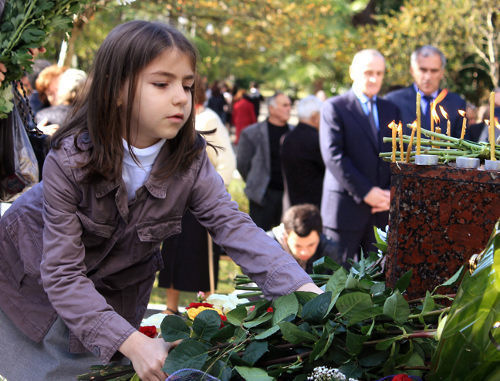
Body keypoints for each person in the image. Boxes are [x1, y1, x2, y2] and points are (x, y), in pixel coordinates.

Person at [0, 21, 321, 381]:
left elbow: (235, 228)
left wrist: (307, 293)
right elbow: (61, 275)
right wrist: (133, 343)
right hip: (32, 284)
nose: (181, 97)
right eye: (161, 84)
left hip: (112, 297)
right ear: (117, 89)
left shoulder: (190, 160)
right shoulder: (71, 159)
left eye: (187, 85)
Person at [159, 76, 236, 315]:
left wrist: (210, 191)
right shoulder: (173, 119)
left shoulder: (209, 119)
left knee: (202, 256)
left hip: (199, 201)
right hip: (174, 200)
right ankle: (171, 308)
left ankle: (208, 310)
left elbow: (227, 162)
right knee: (172, 253)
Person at [320, 49, 400, 266]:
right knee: (334, 281)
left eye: (379, 73)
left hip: (381, 211)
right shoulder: (334, 107)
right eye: (368, 72)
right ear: (352, 72)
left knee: (378, 282)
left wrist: (388, 194)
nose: (374, 79)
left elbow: (398, 154)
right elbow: (334, 156)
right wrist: (366, 192)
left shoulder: (391, 109)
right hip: (344, 210)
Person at [237, 92, 292, 231]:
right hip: (262, 196)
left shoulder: (295, 132)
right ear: (271, 109)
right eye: (285, 105)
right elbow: (242, 164)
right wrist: (256, 181)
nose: (289, 109)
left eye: (290, 105)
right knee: (259, 240)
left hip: (288, 197)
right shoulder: (251, 133)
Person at [385, 45, 466, 138]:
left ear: (442, 72)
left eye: (434, 71)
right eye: (423, 70)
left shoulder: (456, 103)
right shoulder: (393, 101)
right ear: (412, 70)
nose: (428, 77)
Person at [267, 204, 340, 273]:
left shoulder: (329, 249)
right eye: (298, 246)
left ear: (319, 236)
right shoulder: (268, 246)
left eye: (311, 245)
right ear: (286, 237)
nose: (304, 252)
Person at [281, 95, 325, 209]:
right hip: (316, 205)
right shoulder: (318, 140)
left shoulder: (287, 138)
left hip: (293, 203)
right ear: (315, 116)